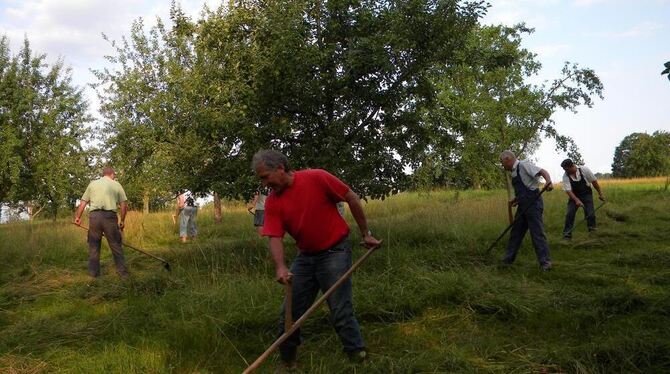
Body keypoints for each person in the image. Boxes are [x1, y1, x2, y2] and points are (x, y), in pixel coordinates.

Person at [251, 149, 381, 369]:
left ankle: (358, 357)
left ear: (280, 168)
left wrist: (365, 234)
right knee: (289, 314)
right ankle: (288, 363)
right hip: (306, 257)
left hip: (335, 252)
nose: (264, 184)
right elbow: (274, 236)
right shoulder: (273, 201)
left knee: (340, 309)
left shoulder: (317, 177)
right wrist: (281, 267)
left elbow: (350, 196)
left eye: (265, 177)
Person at [499, 150, 553, 271]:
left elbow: (543, 171)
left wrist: (548, 182)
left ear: (508, 159)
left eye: (502, 163)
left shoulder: (523, 165)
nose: (503, 166)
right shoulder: (514, 172)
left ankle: (545, 262)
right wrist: (516, 200)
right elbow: (525, 188)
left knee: (537, 233)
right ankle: (507, 260)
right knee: (516, 233)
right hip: (523, 206)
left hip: (533, 204)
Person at [74, 167, 129, 279]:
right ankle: (123, 275)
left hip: (94, 218)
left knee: (94, 246)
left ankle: (94, 275)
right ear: (112, 174)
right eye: (115, 175)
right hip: (110, 218)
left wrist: (77, 217)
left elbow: (83, 203)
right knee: (116, 245)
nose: (115, 177)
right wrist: (122, 221)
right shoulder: (116, 185)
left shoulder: (92, 184)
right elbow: (124, 205)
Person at [560, 158, 605, 239]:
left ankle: (592, 233)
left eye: (566, 169)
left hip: (587, 194)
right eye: (564, 169)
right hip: (574, 196)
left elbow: (594, 182)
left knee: (590, 213)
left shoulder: (584, 170)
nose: (565, 171)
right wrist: (577, 200)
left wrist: (600, 193)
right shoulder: (565, 176)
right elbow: (569, 191)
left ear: (572, 166)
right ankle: (567, 235)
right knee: (569, 214)